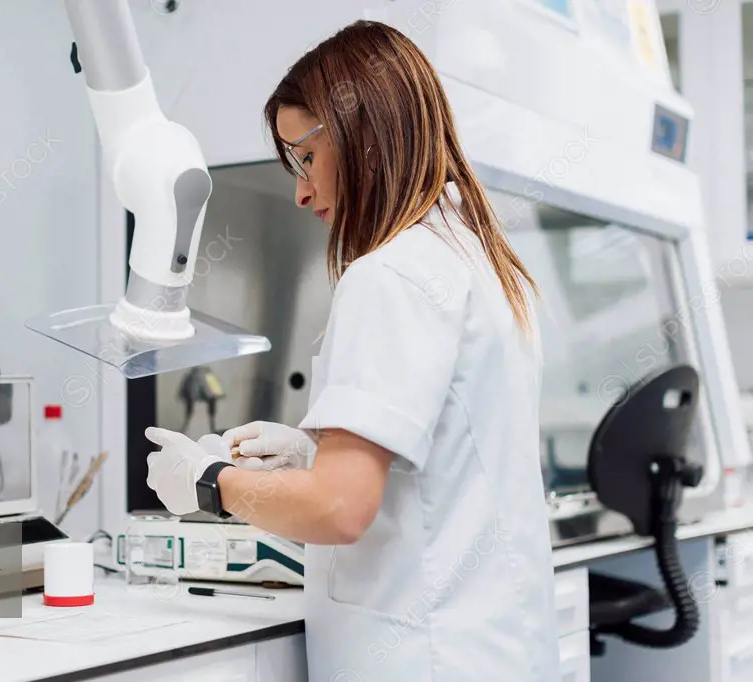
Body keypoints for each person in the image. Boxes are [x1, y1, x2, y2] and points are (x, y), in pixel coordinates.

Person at [144, 19, 561, 682]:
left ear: (362, 134)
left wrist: (209, 483)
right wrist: (314, 453)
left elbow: (340, 510)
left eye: (305, 157)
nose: (302, 190)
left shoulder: (389, 276)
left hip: (423, 657)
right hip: (496, 648)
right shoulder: (481, 264)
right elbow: (452, 461)